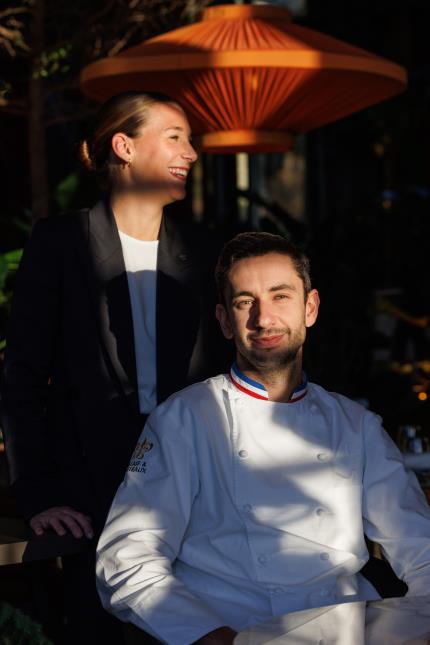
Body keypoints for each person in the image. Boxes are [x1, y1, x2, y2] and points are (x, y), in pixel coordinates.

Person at [96, 232, 430, 645]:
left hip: (345, 630)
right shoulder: (185, 420)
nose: (263, 318)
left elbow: (421, 547)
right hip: (238, 630)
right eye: (244, 302)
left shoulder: (355, 425)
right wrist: (210, 636)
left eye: (280, 296)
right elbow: (126, 559)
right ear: (223, 320)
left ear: (310, 308)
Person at [0, 91, 228, 643]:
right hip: (91, 502)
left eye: (191, 140)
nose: (192, 153)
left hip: (195, 498)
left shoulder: (203, 250)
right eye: (175, 137)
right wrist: (38, 494)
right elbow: (22, 379)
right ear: (123, 146)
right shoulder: (61, 242)